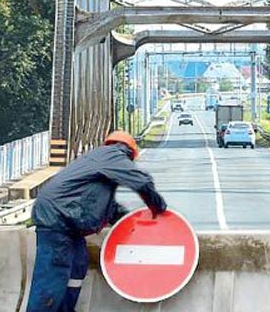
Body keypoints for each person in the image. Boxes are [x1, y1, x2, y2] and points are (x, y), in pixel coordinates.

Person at [26, 130, 167, 312]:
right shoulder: (113, 155)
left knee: (78, 264)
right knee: (52, 276)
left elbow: (104, 207)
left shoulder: (98, 163)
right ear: (130, 153)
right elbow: (142, 182)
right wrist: (158, 207)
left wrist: (132, 223)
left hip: (65, 221)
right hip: (57, 220)